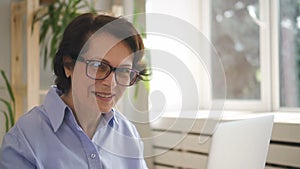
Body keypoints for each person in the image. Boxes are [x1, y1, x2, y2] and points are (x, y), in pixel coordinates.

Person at [0, 13, 150, 169]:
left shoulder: (128, 134)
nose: (111, 83)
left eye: (123, 71)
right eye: (99, 66)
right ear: (68, 65)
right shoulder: (24, 140)